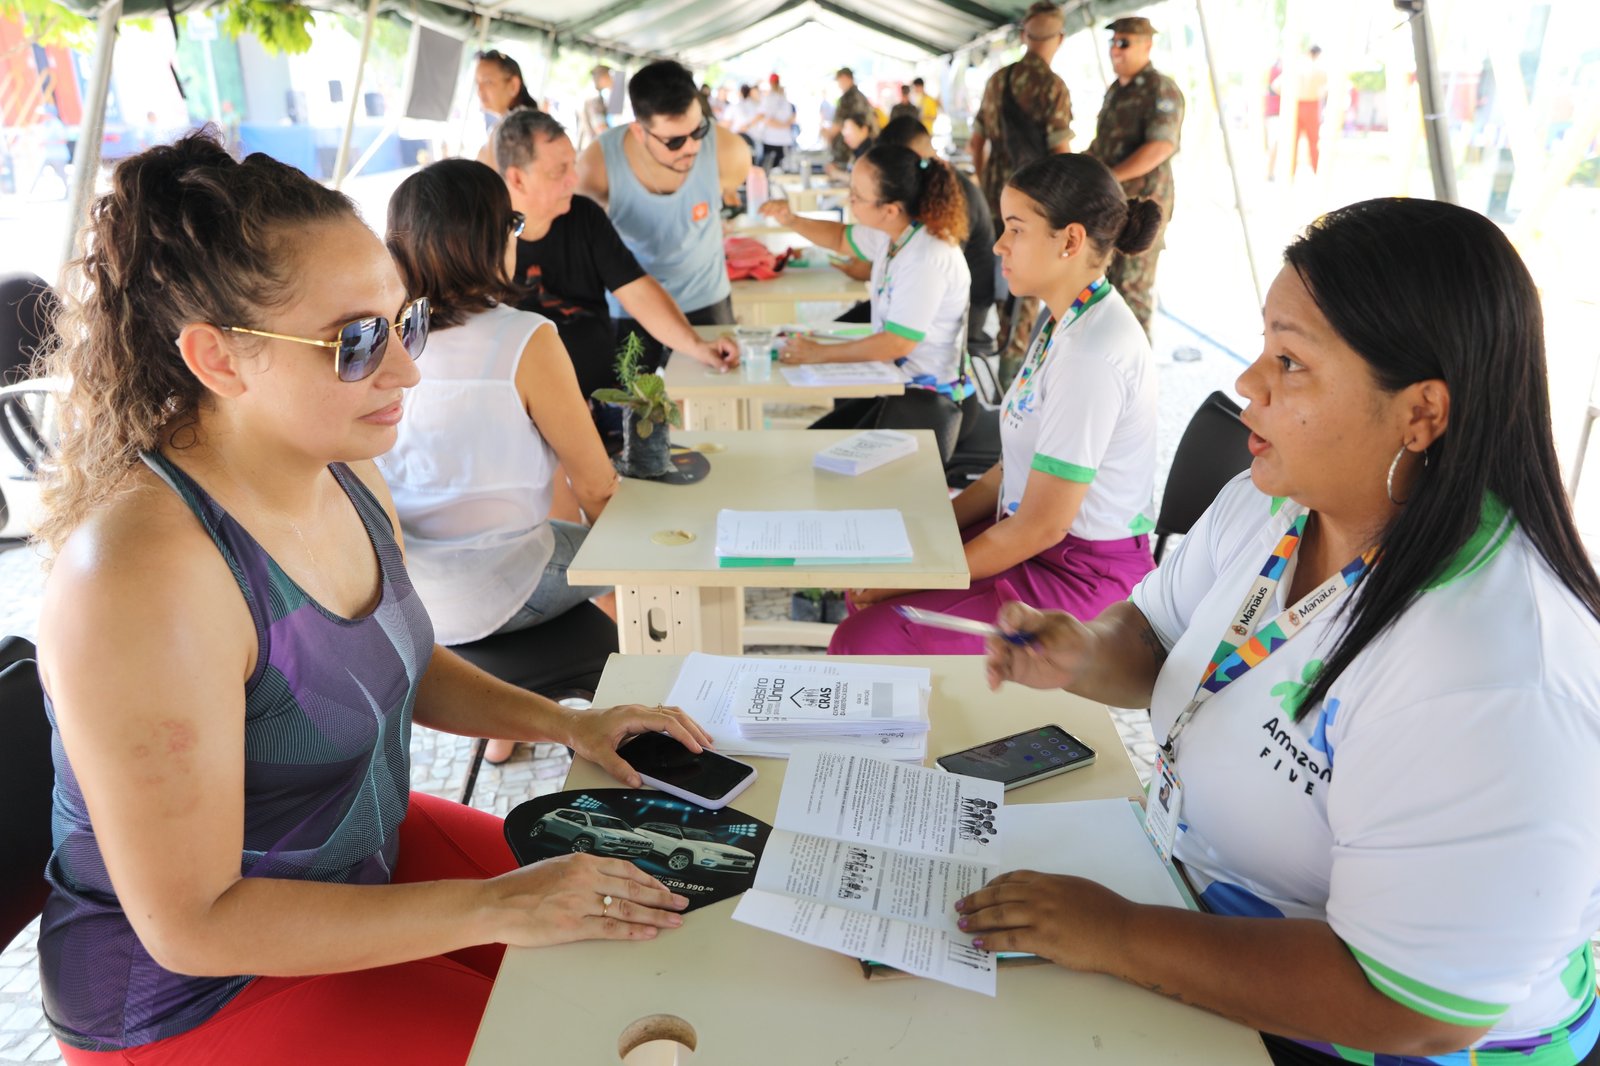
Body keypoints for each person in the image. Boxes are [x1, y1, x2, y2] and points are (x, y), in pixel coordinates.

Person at [31, 131, 710, 1063]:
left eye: (406, 323)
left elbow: (400, 660)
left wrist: (568, 725)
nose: (405, 370)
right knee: (581, 1035)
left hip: (359, 854)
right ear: (219, 359)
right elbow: (192, 924)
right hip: (194, 996)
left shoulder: (343, 470)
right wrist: (495, 907)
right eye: (355, 342)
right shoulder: (141, 577)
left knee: (661, 931)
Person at [963, 197, 1600, 1066]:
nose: (1248, 383)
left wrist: (1116, 934)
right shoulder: (1276, 507)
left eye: (1290, 362)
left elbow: (1414, 1008)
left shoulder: (1494, 670)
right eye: (1265, 346)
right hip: (1196, 922)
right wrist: (1083, 651)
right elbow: (1152, 634)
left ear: (1421, 413)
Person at [828, 154, 1158, 654]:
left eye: (1016, 229)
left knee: (866, 637)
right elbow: (1010, 470)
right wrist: (929, 529)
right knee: (876, 577)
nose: (999, 244)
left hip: (1080, 575)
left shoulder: (1092, 353)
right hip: (1035, 540)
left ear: (1070, 241)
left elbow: (1043, 526)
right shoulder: (1063, 320)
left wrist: (913, 575)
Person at [380, 158, 622, 765]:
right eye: (512, 223)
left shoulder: (384, 343)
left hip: (412, 601)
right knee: (643, 563)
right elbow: (596, 485)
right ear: (490, 239)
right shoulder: (525, 337)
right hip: (505, 586)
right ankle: (646, 708)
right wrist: (631, 551)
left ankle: (505, 726)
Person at [494, 110, 737, 418]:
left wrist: (697, 346)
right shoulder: (484, 237)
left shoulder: (584, 216)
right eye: (559, 171)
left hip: (602, 399)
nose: (574, 179)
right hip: (523, 411)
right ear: (517, 178)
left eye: (573, 165)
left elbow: (636, 290)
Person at [759, 144, 971, 462]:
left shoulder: (926, 257)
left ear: (890, 209)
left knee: (817, 461)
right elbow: (841, 238)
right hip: (896, 384)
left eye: (857, 196)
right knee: (809, 449)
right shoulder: (895, 233)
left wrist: (820, 354)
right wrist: (791, 219)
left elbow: (897, 343)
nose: (850, 200)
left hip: (926, 400)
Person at [577, 59, 751, 375]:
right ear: (639, 131)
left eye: (698, 130)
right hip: (632, 305)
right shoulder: (596, 166)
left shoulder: (729, 152)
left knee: (715, 394)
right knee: (633, 401)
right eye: (674, 141)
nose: (692, 147)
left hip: (705, 298)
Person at [968, 0, 1074, 386]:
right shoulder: (1052, 87)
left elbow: (976, 143)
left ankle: (1003, 353)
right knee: (1031, 285)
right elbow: (1060, 152)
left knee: (1005, 274)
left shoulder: (998, 80)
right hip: (1036, 203)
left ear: (1025, 36)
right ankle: (1014, 370)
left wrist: (987, 185)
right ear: (1059, 39)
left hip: (997, 198)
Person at [1085, 17, 1185, 340]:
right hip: (1110, 204)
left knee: (1131, 294)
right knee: (1104, 289)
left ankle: (1137, 367)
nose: (1116, 50)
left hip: (1141, 209)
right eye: (1113, 42)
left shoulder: (1160, 89)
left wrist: (1110, 176)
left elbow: (1161, 146)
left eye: (1124, 43)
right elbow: (1103, 145)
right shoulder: (1116, 91)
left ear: (1147, 45)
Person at [878, 115, 995, 359]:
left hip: (966, 312)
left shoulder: (952, 194)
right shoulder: (935, 184)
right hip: (939, 297)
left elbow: (930, 266)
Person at [474, 49, 538, 168]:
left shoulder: (515, 128)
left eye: (488, 82)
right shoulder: (513, 124)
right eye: (477, 83)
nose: (479, 90)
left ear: (513, 85)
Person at [826, 67, 877, 170]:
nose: (838, 84)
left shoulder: (848, 98)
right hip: (864, 145)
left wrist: (827, 134)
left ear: (845, 78)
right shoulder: (861, 96)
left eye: (839, 80)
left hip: (847, 151)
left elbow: (837, 125)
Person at [1290, 45, 1328, 178]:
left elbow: (1276, 85)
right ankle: (1318, 171)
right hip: (1311, 105)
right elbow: (1327, 88)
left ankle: (1290, 172)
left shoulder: (1297, 67)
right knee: (1313, 141)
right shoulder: (1319, 69)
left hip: (1296, 104)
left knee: (1292, 141)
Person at [756, 74, 797, 171]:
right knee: (770, 169)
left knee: (779, 169)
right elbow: (766, 119)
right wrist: (784, 125)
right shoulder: (769, 98)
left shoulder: (783, 98)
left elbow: (793, 116)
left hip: (781, 141)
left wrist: (783, 125)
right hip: (772, 140)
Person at [823, 113, 875, 182]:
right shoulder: (858, 150)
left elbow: (863, 180)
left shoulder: (870, 152)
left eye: (850, 130)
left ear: (864, 129)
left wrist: (837, 174)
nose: (845, 138)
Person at [577, 64, 612, 151]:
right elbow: (600, 127)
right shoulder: (594, 98)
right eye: (610, 76)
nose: (612, 80)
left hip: (587, 146)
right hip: (592, 147)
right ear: (603, 78)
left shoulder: (588, 93)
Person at [727, 83, 761, 153]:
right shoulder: (757, 106)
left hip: (738, 139)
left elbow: (726, 123)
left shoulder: (734, 106)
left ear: (740, 92)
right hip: (754, 140)